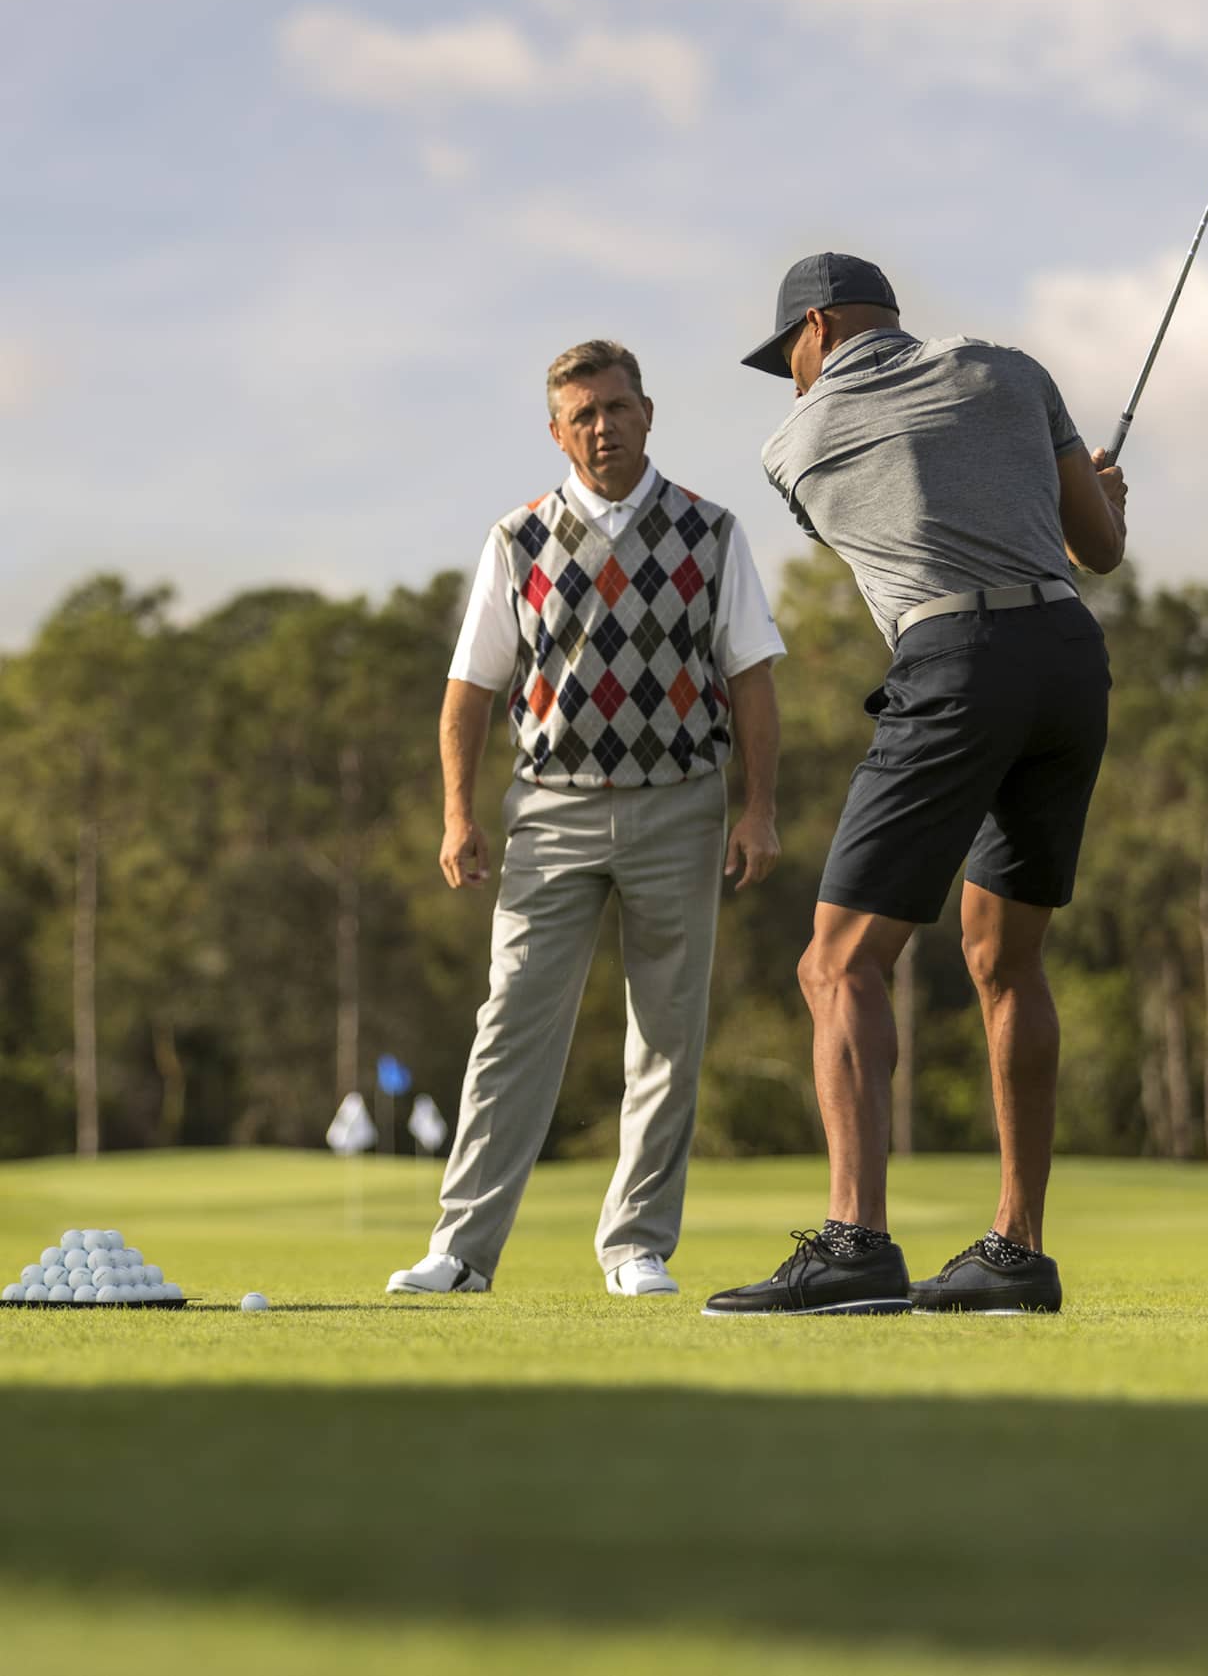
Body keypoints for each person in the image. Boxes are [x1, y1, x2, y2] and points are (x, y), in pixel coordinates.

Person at [704, 254, 1126, 1318]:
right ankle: (1017, 1251)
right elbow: (1102, 547)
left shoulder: (793, 445)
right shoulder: (1013, 369)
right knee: (1004, 958)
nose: (791, 381)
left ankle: (856, 1240)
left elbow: (908, 525)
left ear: (819, 324)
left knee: (838, 961)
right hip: (1070, 657)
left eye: (789, 357)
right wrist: (1094, 493)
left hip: (958, 659)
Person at [388, 339, 783, 1300]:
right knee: (512, 1024)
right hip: (551, 808)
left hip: (681, 804)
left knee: (667, 1031)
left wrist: (760, 809)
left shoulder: (711, 531)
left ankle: (636, 1242)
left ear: (648, 411)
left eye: (618, 407)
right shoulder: (515, 538)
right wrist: (456, 813)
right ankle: (464, 1249)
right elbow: (469, 692)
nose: (604, 427)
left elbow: (752, 682)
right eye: (584, 414)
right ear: (557, 431)